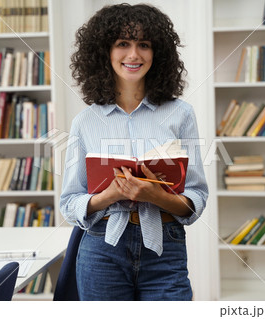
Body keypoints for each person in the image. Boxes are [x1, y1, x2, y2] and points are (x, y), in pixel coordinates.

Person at [60, 3, 208, 301]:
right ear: (104, 51)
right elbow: (70, 202)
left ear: (158, 53)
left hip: (165, 247)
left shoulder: (181, 114)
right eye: (123, 44)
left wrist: (155, 196)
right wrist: (110, 195)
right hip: (102, 250)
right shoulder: (85, 122)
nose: (134, 55)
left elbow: (196, 199)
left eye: (144, 44)